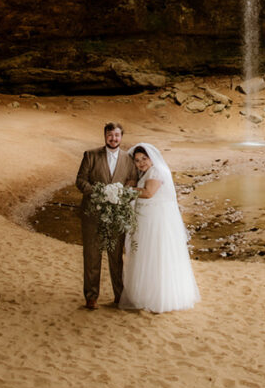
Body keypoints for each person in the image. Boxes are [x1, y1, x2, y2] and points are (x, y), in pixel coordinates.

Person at [119, 142, 200, 313]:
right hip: (147, 218)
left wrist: (125, 190)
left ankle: (159, 298)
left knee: (156, 255)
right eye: (138, 160)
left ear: (151, 158)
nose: (141, 163)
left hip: (156, 220)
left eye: (144, 159)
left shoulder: (156, 171)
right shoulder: (147, 172)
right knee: (146, 255)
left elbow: (148, 193)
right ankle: (145, 294)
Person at [75, 122, 139, 310]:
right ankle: (91, 297)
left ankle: (119, 296)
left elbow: (132, 179)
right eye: (110, 135)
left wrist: (121, 192)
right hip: (92, 213)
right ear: (105, 136)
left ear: (121, 137)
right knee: (91, 256)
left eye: (117, 135)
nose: (113, 139)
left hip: (116, 215)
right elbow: (80, 180)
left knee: (116, 257)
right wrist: (99, 193)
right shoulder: (90, 155)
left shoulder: (128, 159)